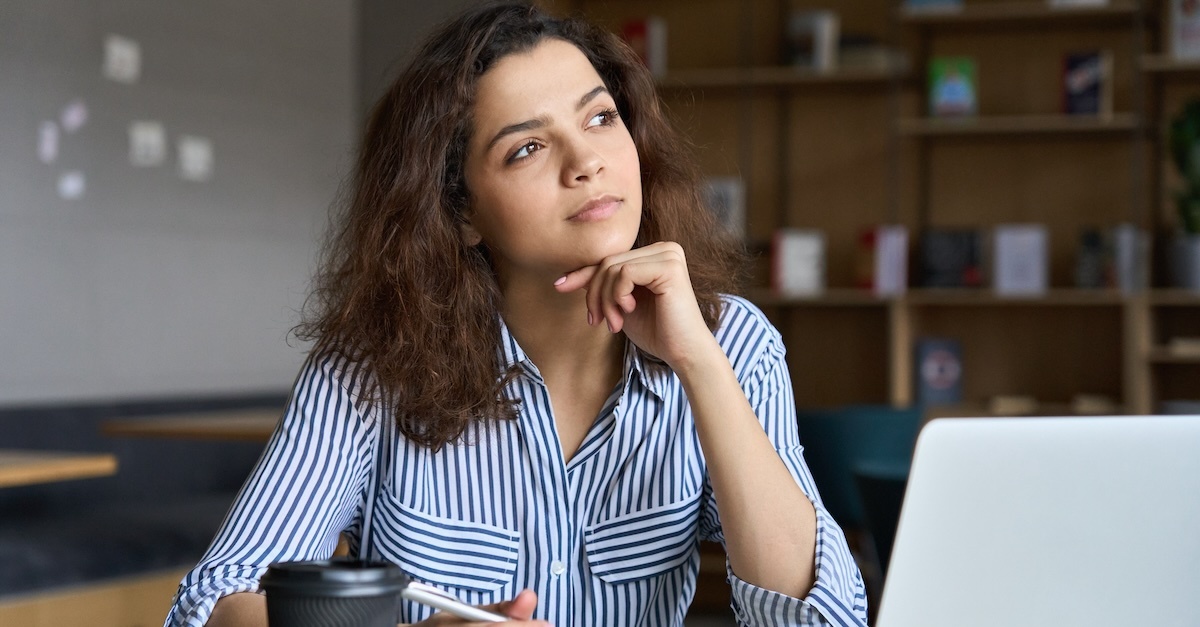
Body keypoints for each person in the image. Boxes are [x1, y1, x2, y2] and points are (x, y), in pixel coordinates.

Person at [165, 3, 867, 626]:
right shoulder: (370, 369)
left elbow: (821, 618)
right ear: (462, 212)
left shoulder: (732, 344)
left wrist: (699, 362)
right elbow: (216, 602)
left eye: (600, 117)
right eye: (527, 147)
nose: (586, 160)